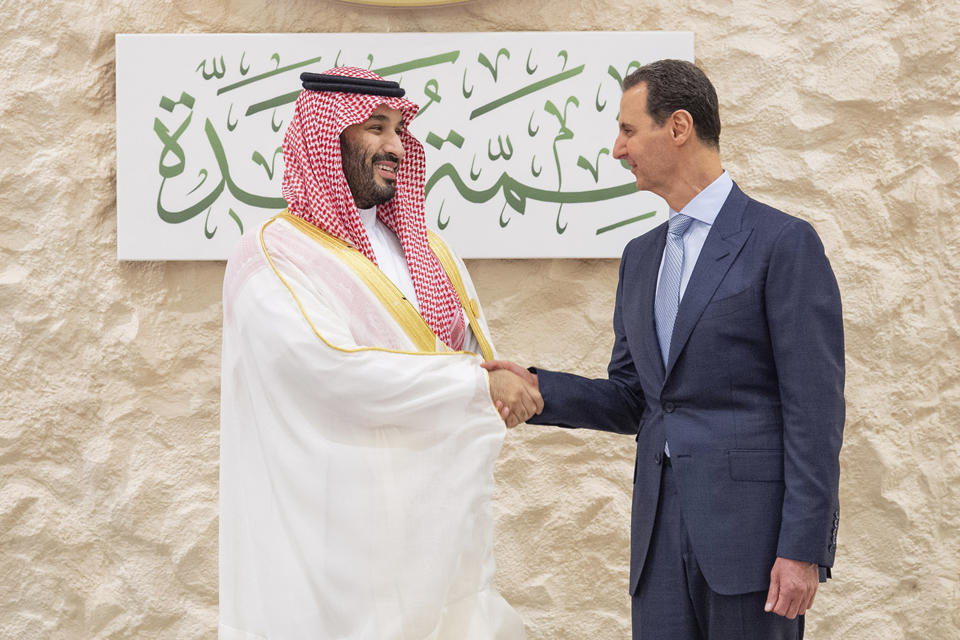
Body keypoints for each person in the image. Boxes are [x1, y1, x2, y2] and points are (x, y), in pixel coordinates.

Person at [484, 59, 845, 639]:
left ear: (678, 127)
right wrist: (538, 387)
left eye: (628, 131)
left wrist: (803, 548)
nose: (617, 150)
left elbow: (815, 411)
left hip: (752, 549)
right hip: (658, 539)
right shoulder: (641, 257)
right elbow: (637, 399)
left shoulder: (783, 243)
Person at [218, 67, 536, 640]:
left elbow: (470, 352)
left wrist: (492, 380)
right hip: (326, 541)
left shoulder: (428, 250)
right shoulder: (272, 255)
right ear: (327, 138)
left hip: (432, 540)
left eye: (399, 129)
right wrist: (472, 386)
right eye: (376, 128)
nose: (395, 146)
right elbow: (326, 369)